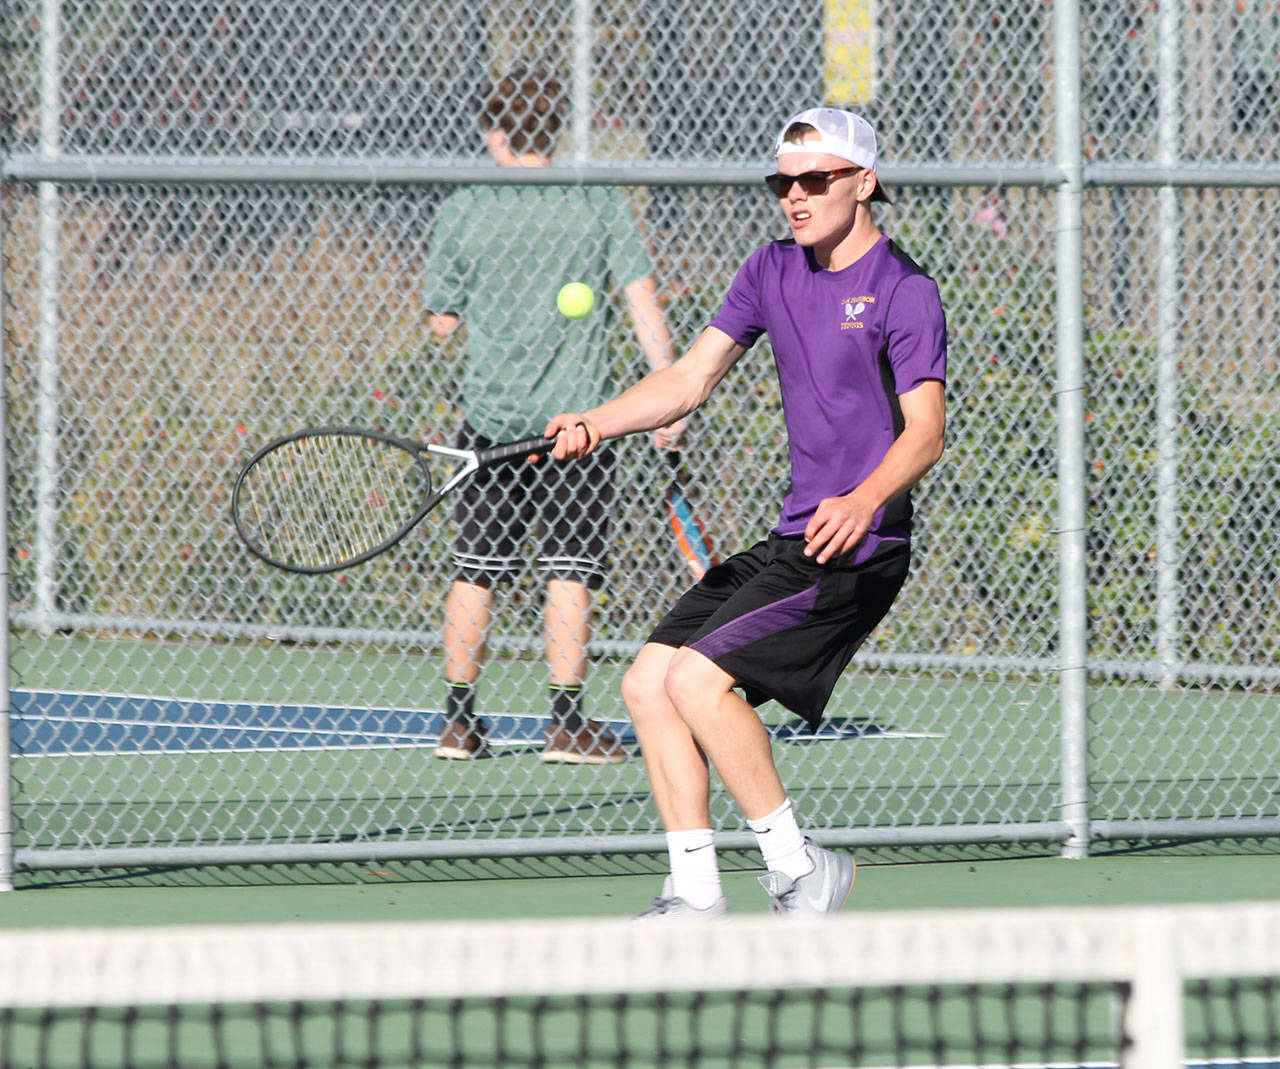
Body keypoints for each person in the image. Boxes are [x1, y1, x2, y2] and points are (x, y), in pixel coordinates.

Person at [545, 107, 947, 916]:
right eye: (782, 183)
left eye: (814, 180)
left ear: (863, 183)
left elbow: (927, 432)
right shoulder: (770, 269)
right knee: (649, 683)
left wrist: (866, 499)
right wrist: (597, 420)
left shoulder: (905, 292)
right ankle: (695, 894)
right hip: (793, 538)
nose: (794, 197)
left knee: (697, 681)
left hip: (860, 546)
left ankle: (801, 869)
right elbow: (689, 379)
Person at [423, 71, 683, 765]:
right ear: (555, 131)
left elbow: (442, 323)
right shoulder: (595, 201)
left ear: (497, 132)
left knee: (475, 568)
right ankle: (566, 725)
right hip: (581, 427)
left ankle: (458, 722)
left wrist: (473, 299)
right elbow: (641, 300)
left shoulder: (467, 207)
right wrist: (669, 393)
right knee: (570, 569)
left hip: (492, 424)